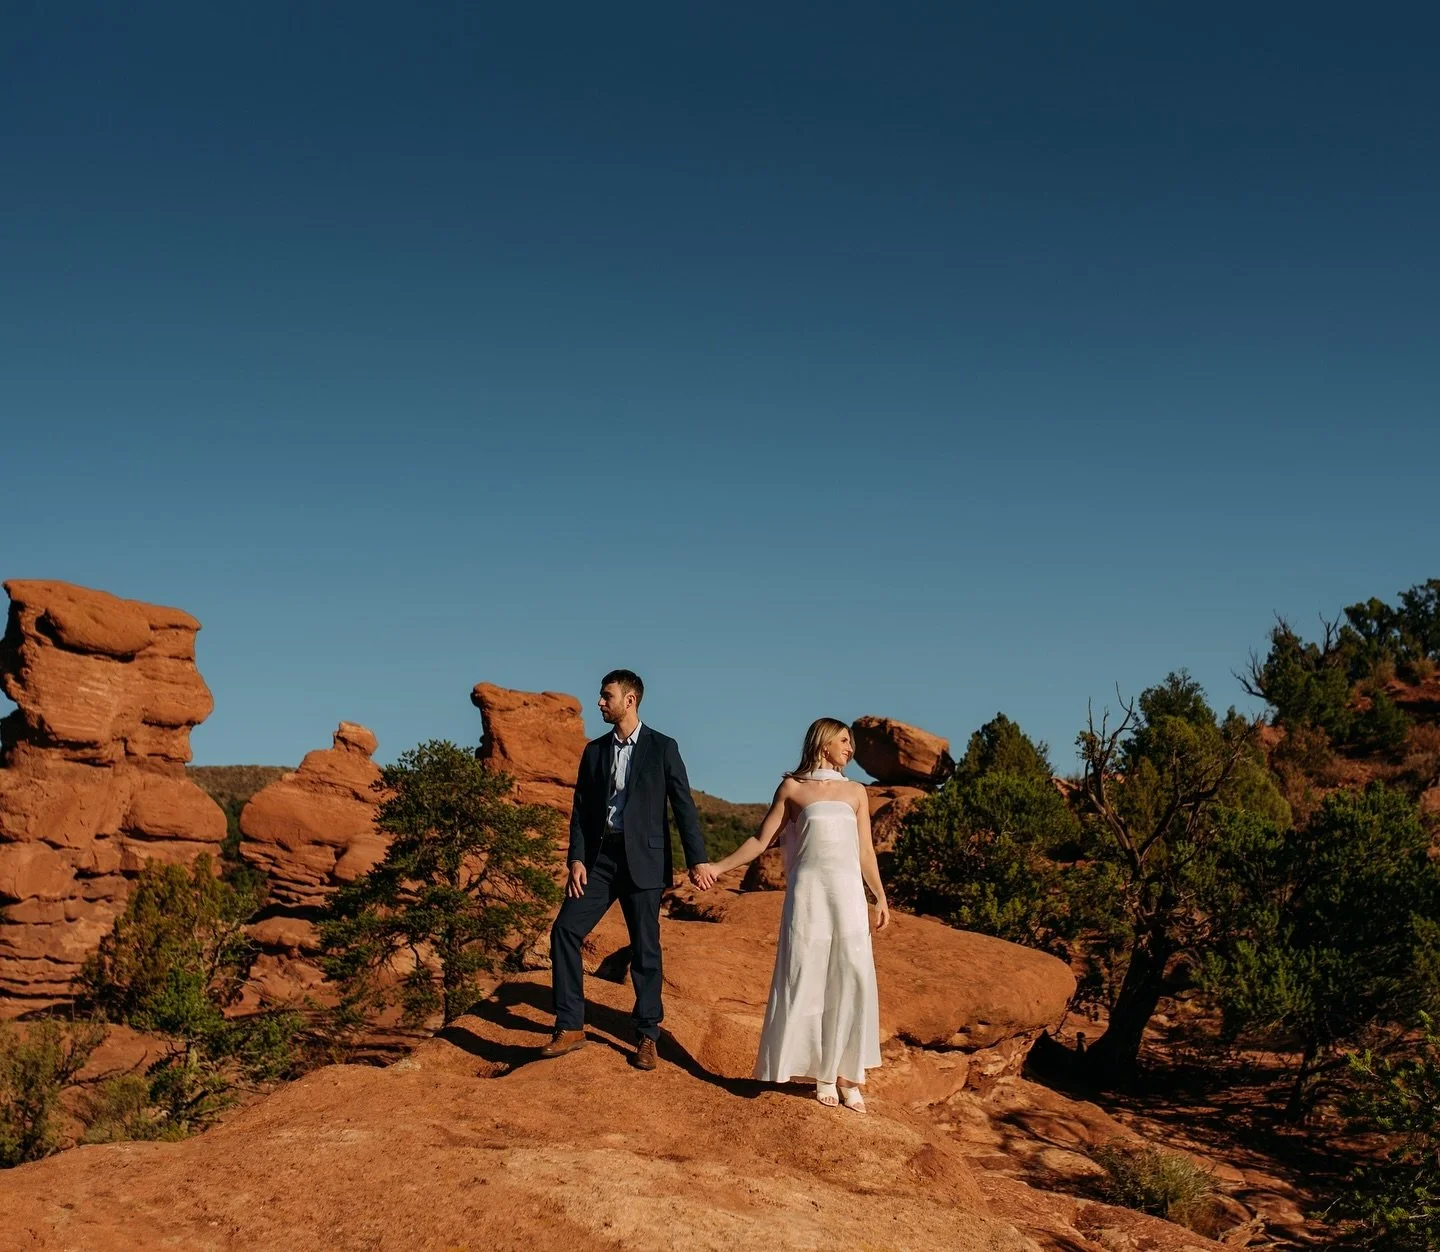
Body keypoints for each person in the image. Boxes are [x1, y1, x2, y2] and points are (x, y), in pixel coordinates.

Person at [708, 718, 888, 1110]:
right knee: (808, 974)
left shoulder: (856, 792)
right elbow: (761, 839)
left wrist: (879, 896)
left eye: (851, 742)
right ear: (824, 743)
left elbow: (865, 851)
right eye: (844, 740)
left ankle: (849, 1074)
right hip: (808, 896)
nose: (850, 748)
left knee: (853, 975)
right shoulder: (793, 788)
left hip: (848, 895)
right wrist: (718, 867)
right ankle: (822, 1073)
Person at [539, 669, 715, 1070]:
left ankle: (647, 1034)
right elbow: (582, 810)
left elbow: (683, 806)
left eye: (606, 696)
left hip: (646, 860)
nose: (600, 703)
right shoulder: (595, 751)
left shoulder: (663, 747)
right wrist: (576, 859)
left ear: (629, 699)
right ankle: (570, 1026)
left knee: (645, 948)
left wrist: (697, 859)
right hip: (600, 861)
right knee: (565, 930)